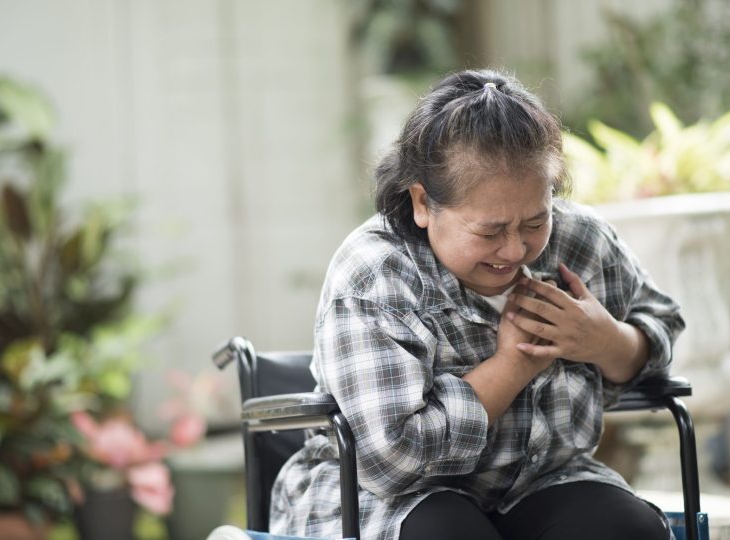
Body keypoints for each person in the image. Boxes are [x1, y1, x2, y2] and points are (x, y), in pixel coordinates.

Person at [269, 69, 685, 540]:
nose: (514, 250)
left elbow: (663, 321)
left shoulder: (579, 241)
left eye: (534, 222)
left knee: (624, 528)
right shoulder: (375, 273)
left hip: (542, 481)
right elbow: (390, 462)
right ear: (423, 203)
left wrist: (606, 341)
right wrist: (512, 366)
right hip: (388, 500)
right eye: (489, 231)